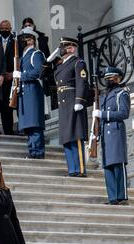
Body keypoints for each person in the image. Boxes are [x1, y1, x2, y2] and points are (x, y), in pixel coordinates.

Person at [92, 67, 131, 206]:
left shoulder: (122, 94)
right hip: (105, 135)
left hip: (116, 132)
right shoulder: (103, 96)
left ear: (118, 78)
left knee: (118, 165)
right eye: (107, 78)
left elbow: (124, 113)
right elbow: (99, 119)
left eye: (111, 78)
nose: (109, 80)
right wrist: (96, 134)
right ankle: (112, 198)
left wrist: (103, 115)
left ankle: (122, 196)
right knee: (108, 167)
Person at [54, 37, 89, 177]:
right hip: (63, 104)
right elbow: (43, 74)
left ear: (72, 48)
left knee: (76, 135)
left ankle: (80, 168)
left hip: (73, 102)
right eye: (62, 47)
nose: (62, 50)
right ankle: (72, 169)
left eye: (65, 47)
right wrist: (47, 62)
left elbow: (82, 82)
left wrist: (79, 101)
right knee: (66, 137)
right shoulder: (60, 65)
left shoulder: (78, 63)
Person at [13, 28, 46, 159]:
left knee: (34, 122)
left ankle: (37, 152)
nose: (22, 41)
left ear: (31, 40)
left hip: (32, 90)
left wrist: (22, 75)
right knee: (28, 124)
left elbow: (38, 72)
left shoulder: (35, 54)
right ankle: (32, 150)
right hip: (24, 91)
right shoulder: (23, 56)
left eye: (25, 38)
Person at [22, 17, 57, 115]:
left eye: (30, 25)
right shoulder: (21, 44)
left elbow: (45, 56)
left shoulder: (40, 43)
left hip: (36, 73)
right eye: (26, 26)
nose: (28, 27)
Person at [0, 20, 16, 135]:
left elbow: (19, 60)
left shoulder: (15, 42)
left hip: (13, 78)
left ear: (10, 29)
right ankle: (7, 130)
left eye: (6, 29)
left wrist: (12, 74)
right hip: (0, 79)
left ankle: (19, 128)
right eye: (2, 29)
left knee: (14, 104)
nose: (4, 31)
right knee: (4, 106)